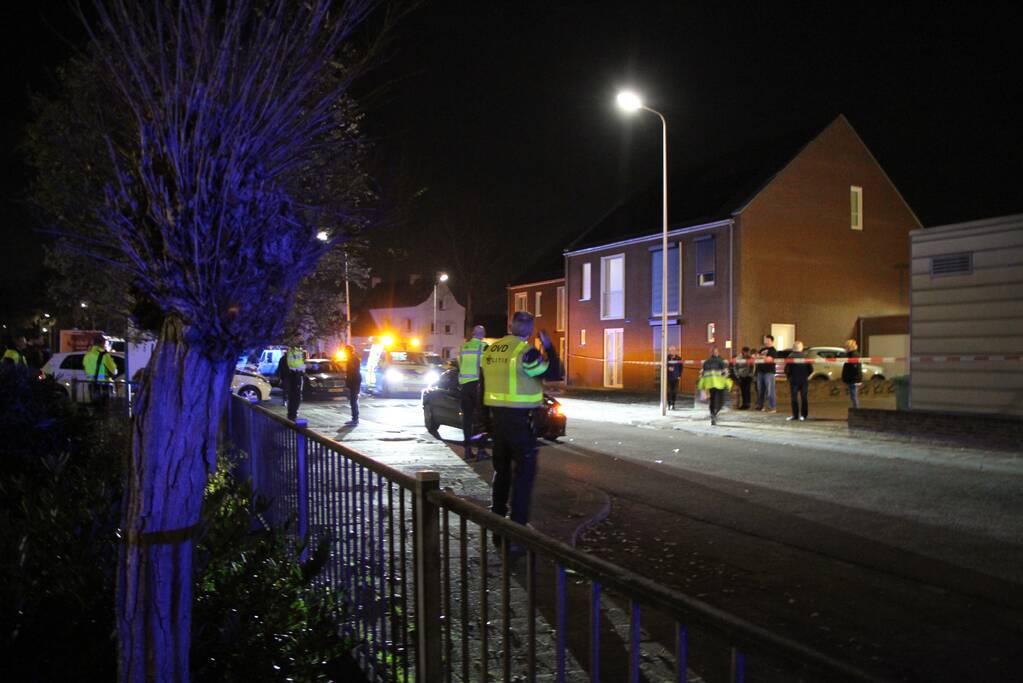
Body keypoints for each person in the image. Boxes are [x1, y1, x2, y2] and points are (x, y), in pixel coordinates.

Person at [481, 311, 561, 544]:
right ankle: (517, 534)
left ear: (509, 325)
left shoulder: (491, 350)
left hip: (498, 421)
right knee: (524, 476)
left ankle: (497, 526)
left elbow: (482, 385)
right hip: (520, 421)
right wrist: (549, 348)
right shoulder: (526, 352)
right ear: (530, 329)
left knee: (502, 473)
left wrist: (484, 419)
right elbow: (554, 374)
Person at [458, 325, 488, 459]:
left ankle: (467, 450)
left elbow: (460, 365)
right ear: (482, 335)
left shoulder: (464, 347)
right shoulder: (484, 347)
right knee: (481, 419)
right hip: (478, 386)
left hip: (465, 386)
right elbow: (485, 367)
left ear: (472, 333)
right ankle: (481, 450)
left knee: (467, 420)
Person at [697, 346, 732, 425]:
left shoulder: (706, 362)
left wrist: (702, 385)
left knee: (712, 400)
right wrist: (728, 383)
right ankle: (714, 414)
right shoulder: (721, 361)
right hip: (720, 384)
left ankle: (712, 415)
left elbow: (702, 374)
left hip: (710, 384)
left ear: (711, 352)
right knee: (721, 402)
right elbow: (725, 373)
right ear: (717, 352)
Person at [83, 334, 118, 404]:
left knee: (95, 407)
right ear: (103, 343)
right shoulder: (104, 355)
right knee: (105, 410)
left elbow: (86, 369)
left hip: (91, 385)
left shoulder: (87, 355)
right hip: (104, 386)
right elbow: (114, 371)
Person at [278, 343, 307, 421]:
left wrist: (281, 378)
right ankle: (292, 413)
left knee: (291, 395)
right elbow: (296, 368)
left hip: (289, 378)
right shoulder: (289, 359)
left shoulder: (283, 359)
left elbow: (280, 369)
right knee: (295, 396)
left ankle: (291, 413)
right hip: (292, 378)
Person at [785, 340, 812, 421]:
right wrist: (806, 376)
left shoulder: (790, 356)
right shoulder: (806, 356)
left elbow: (787, 369)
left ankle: (795, 415)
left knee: (794, 398)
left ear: (793, 348)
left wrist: (789, 377)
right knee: (804, 398)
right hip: (804, 380)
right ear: (802, 348)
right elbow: (811, 369)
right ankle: (804, 415)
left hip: (794, 380)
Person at [755, 334, 778, 412]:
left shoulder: (773, 350)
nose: (765, 341)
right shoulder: (762, 349)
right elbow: (755, 356)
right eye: (765, 340)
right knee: (760, 390)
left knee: (770, 390)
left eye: (767, 340)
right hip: (760, 372)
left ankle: (772, 407)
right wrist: (761, 356)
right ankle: (760, 406)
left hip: (769, 373)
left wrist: (760, 356)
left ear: (771, 341)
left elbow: (769, 359)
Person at [842, 339, 864, 409]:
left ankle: (856, 411)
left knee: (854, 396)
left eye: (846, 347)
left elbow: (854, 367)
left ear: (849, 347)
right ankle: (856, 410)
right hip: (853, 378)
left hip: (854, 379)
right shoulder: (851, 354)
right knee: (853, 396)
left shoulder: (853, 355)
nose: (845, 348)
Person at [343, 344, 361, 426]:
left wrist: (350, 382)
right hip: (354, 382)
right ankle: (354, 418)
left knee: (354, 401)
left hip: (355, 382)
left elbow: (353, 372)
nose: (345, 353)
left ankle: (355, 419)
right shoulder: (352, 358)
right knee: (353, 401)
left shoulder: (353, 359)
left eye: (346, 351)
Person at [666, 345, 682, 410]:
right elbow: (663, 366)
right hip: (668, 377)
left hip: (676, 377)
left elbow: (681, 367)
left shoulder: (679, 358)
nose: (672, 351)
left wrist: (679, 376)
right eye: (671, 350)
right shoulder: (667, 358)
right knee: (669, 391)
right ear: (669, 351)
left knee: (674, 391)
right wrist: (668, 368)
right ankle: (669, 404)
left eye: (674, 350)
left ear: (676, 351)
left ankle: (673, 404)